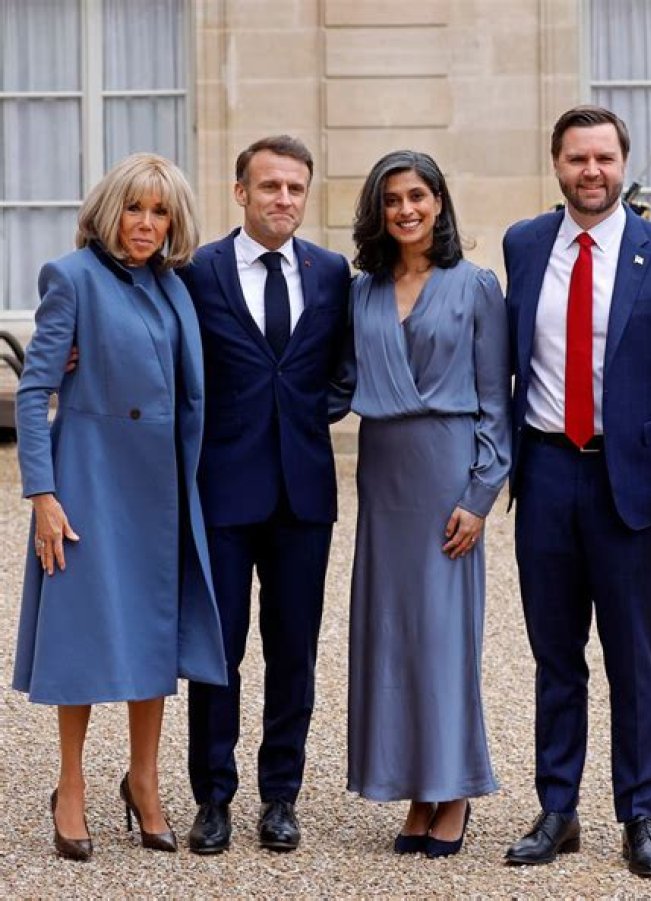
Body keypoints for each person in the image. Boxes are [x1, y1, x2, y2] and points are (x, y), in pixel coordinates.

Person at [503, 106, 651, 877]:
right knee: (555, 653)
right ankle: (557, 808)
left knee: (633, 656)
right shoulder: (525, 244)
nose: (590, 171)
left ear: (623, 163)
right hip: (545, 471)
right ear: (556, 164)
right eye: (576, 158)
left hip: (631, 484)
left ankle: (640, 813)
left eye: (602, 158)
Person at [13, 153, 227, 861]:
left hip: (160, 488)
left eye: (160, 211)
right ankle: (70, 784)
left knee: (152, 633)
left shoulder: (172, 287)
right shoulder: (70, 277)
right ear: (110, 210)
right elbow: (35, 391)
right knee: (80, 633)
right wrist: (43, 495)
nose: (145, 223)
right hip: (90, 481)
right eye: (134, 207)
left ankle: (143, 779)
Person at [178, 136, 351, 854]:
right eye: (270, 186)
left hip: (303, 497)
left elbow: (344, 368)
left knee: (293, 653)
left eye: (295, 188)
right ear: (240, 192)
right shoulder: (197, 272)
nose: (284, 198)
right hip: (221, 492)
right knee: (218, 654)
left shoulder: (331, 272)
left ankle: (281, 795)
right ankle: (212, 797)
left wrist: (307, 417)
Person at [343, 150, 511, 857]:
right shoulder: (362, 291)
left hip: (447, 478)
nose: (405, 209)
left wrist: (480, 494)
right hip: (384, 476)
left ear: (438, 202)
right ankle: (415, 788)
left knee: (444, 636)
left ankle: (455, 788)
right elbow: (332, 382)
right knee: (392, 633)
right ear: (377, 212)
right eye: (392, 200)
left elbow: (496, 403)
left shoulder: (476, 286)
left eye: (417, 196)